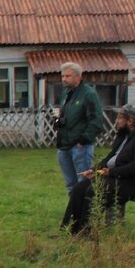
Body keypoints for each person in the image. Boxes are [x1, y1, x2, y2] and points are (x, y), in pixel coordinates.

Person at [62, 106, 135, 235]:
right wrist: (94, 170)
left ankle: (85, 231)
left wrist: (111, 172)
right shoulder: (123, 136)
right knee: (79, 188)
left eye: (120, 118)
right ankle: (69, 230)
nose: (116, 121)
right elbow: (110, 158)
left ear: (130, 121)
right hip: (118, 178)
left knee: (95, 190)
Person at [55, 62, 105, 193]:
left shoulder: (88, 94)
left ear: (78, 76)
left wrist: (82, 140)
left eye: (68, 76)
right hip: (64, 144)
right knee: (70, 183)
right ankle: (74, 210)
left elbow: (96, 120)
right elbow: (66, 115)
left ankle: (86, 210)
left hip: (80, 146)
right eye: (63, 76)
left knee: (84, 182)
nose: (64, 79)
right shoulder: (66, 94)